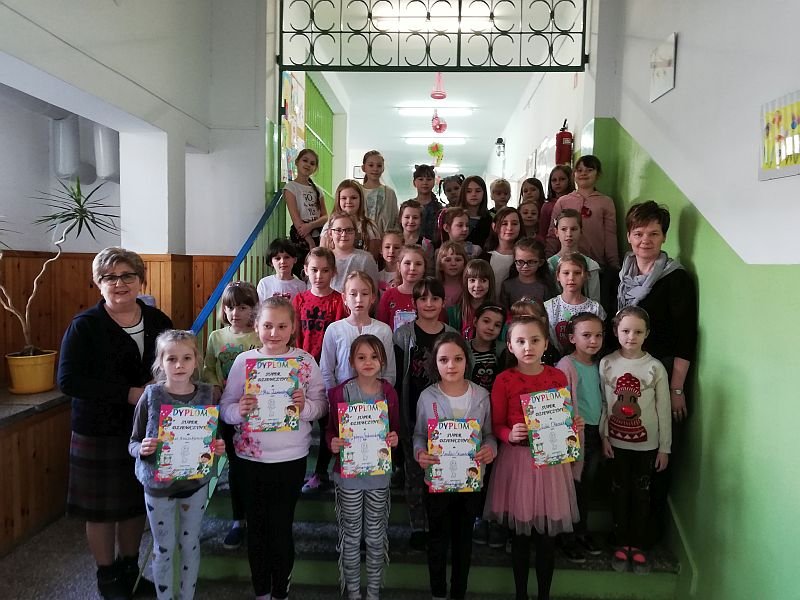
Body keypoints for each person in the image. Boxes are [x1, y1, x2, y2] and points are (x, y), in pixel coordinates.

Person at [57, 247, 172, 599]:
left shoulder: (158, 321)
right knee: (102, 511)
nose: (119, 283)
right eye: (110, 277)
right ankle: (107, 576)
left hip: (145, 428)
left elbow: (171, 363)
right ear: (98, 282)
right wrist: (127, 393)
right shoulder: (84, 326)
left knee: (136, 502)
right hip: (98, 430)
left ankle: (129, 568)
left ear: (141, 280)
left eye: (127, 276)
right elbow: (68, 381)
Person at [220, 297, 328, 600]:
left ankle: (280, 591)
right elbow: (226, 407)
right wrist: (239, 411)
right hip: (249, 458)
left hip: (290, 458)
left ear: (293, 327)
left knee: (281, 528)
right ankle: (262, 592)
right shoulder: (244, 362)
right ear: (256, 326)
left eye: (282, 326)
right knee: (256, 529)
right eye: (267, 325)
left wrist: (305, 408)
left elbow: (321, 405)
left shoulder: (304, 361)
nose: (274, 333)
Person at [484, 315, 584, 600]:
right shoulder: (504, 380)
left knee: (546, 540)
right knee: (520, 538)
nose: (528, 346)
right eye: (520, 341)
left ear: (546, 344)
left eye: (535, 340)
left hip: (551, 466)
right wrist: (508, 434)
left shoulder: (557, 376)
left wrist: (573, 425)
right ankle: (520, 594)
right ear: (510, 346)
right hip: (517, 464)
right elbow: (496, 425)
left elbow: (564, 417)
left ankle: (543, 595)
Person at [617, 200, 697, 543]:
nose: (645, 240)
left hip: (660, 373)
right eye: (638, 233)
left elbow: (686, 337)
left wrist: (677, 388)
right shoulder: (622, 275)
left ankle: (649, 533)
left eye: (653, 233)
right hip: (625, 371)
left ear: (664, 237)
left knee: (656, 451)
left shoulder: (676, 279)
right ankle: (623, 529)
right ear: (629, 236)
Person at [129, 330, 225, 600]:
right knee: (164, 547)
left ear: (196, 361)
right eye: (171, 359)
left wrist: (217, 449)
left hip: (194, 484)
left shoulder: (207, 395)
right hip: (158, 485)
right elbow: (133, 442)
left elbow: (212, 439)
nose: (179, 365)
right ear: (160, 362)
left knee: (190, 543)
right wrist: (142, 449)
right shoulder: (151, 396)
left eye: (186, 358)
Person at [414, 332, 497, 600]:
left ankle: (458, 592)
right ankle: (438, 593)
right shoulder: (427, 397)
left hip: (470, 483)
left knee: (464, 542)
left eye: (458, 359)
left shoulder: (481, 395)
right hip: (436, 482)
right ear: (435, 363)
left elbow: (489, 435)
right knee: (437, 540)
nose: (451, 365)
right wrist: (419, 453)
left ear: (467, 361)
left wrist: (490, 449)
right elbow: (418, 435)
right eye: (444, 359)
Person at [326, 334, 401, 600]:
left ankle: (373, 592)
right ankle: (354, 592)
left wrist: (394, 439)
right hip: (349, 476)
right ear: (352, 362)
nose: (368, 362)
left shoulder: (388, 392)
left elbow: (395, 429)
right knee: (351, 534)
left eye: (374, 357)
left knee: (375, 535)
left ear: (383, 361)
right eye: (361, 357)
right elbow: (331, 431)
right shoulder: (339, 393)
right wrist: (333, 443)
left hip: (378, 475)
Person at [600, 306, 671, 574]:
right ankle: (620, 542)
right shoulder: (607, 363)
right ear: (616, 331)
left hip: (647, 447)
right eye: (626, 331)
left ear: (647, 334)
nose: (631, 336)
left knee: (642, 495)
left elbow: (664, 410)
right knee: (618, 493)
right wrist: (604, 436)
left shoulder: (655, 367)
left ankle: (637, 544)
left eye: (638, 332)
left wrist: (664, 448)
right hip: (616, 445)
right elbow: (605, 404)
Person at [394, 278, 461, 551]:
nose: (429, 304)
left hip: (446, 417)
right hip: (412, 414)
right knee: (414, 474)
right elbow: (397, 377)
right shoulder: (403, 335)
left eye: (435, 298)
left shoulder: (452, 335)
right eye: (423, 299)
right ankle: (418, 526)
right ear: (415, 303)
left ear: (443, 302)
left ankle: (440, 524)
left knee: (443, 470)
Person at [201, 281, 260, 550]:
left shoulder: (259, 336)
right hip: (228, 410)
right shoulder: (217, 337)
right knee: (236, 467)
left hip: (256, 412)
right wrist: (214, 384)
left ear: (254, 310)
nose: (236, 313)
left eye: (243, 307)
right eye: (230, 307)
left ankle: (258, 517)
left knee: (256, 468)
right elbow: (208, 367)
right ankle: (238, 520)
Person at [292, 247, 347, 494]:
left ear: (333, 272)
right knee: (301, 421)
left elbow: (338, 338)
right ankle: (295, 470)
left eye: (325, 270)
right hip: (302, 370)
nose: (319, 275)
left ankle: (321, 472)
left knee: (327, 424)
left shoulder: (338, 301)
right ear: (305, 270)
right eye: (314, 270)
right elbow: (294, 335)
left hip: (327, 371)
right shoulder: (299, 300)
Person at [556, 313, 606, 563]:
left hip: (597, 433)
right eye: (586, 335)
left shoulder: (602, 365)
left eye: (598, 335)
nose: (593, 341)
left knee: (586, 487)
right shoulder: (566, 365)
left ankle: (581, 531)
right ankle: (567, 537)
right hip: (576, 435)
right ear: (572, 338)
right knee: (571, 488)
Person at [547, 156, 619, 311]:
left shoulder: (606, 202)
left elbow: (610, 234)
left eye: (589, 170)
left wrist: (614, 265)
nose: (583, 173)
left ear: (598, 174)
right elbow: (552, 234)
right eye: (579, 170)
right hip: (565, 266)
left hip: (595, 264)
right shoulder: (563, 201)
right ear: (573, 174)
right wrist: (548, 259)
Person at [320, 271, 396, 390]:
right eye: (353, 294)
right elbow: (326, 371)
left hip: (376, 398)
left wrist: (380, 394)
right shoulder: (334, 330)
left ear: (373, 297)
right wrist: (335, 396)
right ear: (344, 298)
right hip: (343, 397)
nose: (359, 299)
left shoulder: (383, 330)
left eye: (364, 294)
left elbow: (389, 372)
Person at [544, 254, 606, 357]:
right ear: (558, 276)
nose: (571, 278)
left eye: (577, 273)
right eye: (566, 273)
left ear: (586, 275)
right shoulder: (549, 307)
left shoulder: (594, 308)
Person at [285, 149, 328, 274]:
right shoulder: (291, 187)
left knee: (319, 268)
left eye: (312, 163)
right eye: (305, 160)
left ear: (315, 168)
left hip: (318, 232)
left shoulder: (318, 190)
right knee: (304, 270)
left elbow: (325, 216)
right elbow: (296, 219)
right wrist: (309, 241)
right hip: (301, 235)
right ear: (297, 162)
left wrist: (311, 225)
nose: (308, 165)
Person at [546, 209, 601, 303]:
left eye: (573, 229)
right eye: (564, 229)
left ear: (581, 231)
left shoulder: (591, 265)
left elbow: (595, 300)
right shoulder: (549, 265)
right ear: (556, 232)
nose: (569, 234)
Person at [320, 180, 381, 259]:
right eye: (344, 198)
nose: (348, 201)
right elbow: (322, 255)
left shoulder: (370, 227)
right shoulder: (328, 226)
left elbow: (373, 258)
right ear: (338, 200)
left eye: (353, 198)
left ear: (361, 199)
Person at [376, 244, 428, 331]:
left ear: (424, 268)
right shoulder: (389, 295)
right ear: (399, 266)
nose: (412, 268)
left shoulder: (431, 296)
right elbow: (381, 328)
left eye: (418, 264)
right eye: (407, 263)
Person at [327, 211, 380, 293]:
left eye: (349, 230)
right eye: (338, 230)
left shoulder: (366, 259)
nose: (344, 234)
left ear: (355, 233)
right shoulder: (324, 258)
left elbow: (373, 292)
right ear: (330, 233)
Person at [447, 259, 497, 340]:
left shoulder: (498, 313)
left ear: (490, 283)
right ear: (465, 282)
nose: (477, 285)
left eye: (483, 280)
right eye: (472, 280)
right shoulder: (454, 313)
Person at [500, 238, 557, 308]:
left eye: (531, 262)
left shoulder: (545, 286)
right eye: (520, 262)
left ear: (540, 262)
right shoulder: (507, 286)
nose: (525, 266)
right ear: (514, 261)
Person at [480, 207, 523, 295]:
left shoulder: (525, 257)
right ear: (494, 227)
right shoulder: (485, 258)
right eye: (504, 223)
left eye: (514, 224)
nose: (509, 228)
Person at [361, 150, 399, 234]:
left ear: (383, 169)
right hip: (360, 238)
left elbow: (396, 220)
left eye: (379, 166)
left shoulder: (390, 193)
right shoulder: (357, 191)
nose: (375, 169)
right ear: (363, 168)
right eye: (371, 165)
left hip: (385, 239)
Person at [257, 238, 306, 302]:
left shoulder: (301, 286)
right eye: (277, 258)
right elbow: (260, 307)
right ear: (271, 262)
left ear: (295, 260)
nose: (282, 261)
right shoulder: (264, 284)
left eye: (287, 257)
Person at [453, 176, 493, 248]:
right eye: (468, 191)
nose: (473, 194)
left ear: (484, 193)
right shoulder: (454, 216)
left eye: (478, 191)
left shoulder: (489, 219)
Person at [408, 164, 444, 243]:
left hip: (434, 246)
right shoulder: (408, 206)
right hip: (412, 245)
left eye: (429, 179)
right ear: (414, 183)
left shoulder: (439, 208)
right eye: (421, 179)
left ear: (434, 182)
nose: (425, 182)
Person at [398, 199, 435, 272]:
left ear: (421, 220)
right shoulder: (394, 242)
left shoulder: (426, 244)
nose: (411, 221)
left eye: (415, 217)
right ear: (400, 219)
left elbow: (429, 269)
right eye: (407, 217)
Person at [539, 165, 574, 240]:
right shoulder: (547, 206)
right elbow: (543, 232)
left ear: (569, 180)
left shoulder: (575, 202)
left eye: (562, 179)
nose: (557, 183)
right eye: (554, 180)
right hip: (552, 243)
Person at [436, 240, 468, 309]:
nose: (453, 264)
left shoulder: (469, 287)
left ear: (465, 264)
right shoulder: (434, 288)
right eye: (448, 260)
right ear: (440, 265)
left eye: (458, 260)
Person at [378, 228, 403, 294]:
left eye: (396, 248)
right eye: (387, 247)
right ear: (381, 249)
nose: (391, 251)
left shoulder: (405, 275)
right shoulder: (377, 276)